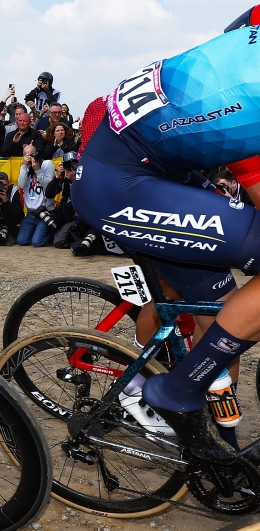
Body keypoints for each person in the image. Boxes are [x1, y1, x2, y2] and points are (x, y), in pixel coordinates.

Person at [70, 24, 260, 464]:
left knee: (220, 316)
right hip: (119, 184)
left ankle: (214, 431)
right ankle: (160, 387)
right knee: (188, 306)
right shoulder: (248, 96)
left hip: (160, 173)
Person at [16, 143, 54, 247]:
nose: (29, 158)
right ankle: (38, 232)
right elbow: (21, 184)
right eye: (26, 155)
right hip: (31, 213)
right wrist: (24, 166)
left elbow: (48, 187)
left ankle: (52, 233)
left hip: (44, 212)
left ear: (37, 153)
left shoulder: (47, 164)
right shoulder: (25, 168)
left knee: (37, 242)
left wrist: (37, 169)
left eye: (32, 154)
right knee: (21, 241)